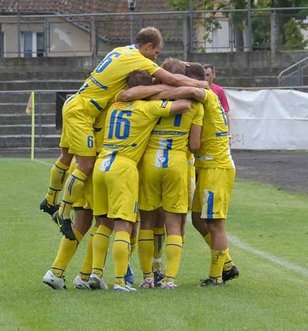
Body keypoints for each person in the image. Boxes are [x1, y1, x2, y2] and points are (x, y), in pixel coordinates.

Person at [40, 26, 209, 241]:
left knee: (66, 156)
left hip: (76, 104)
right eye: (156, 53)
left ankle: (50, 199)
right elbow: (172, 84)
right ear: (147, 46)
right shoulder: (138, 69)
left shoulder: (120, 51)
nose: (155, 59)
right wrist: (200, 84)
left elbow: (140, 87)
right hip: (87, 116)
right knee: (86, 167)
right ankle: (63, 213)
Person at [89, 70, 193, 292]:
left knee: (102, 223)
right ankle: (119, 281)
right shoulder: (147, 108)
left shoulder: (115, 105)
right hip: (124, 168)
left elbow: (126, 94)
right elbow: (183, 105)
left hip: (102, 163)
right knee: (123, 224)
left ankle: (96, 273)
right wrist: (164, 90)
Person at [137, 58, 204, 289]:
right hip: (176, 161)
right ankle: (170, 279)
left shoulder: (149, 99)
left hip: (150, 161)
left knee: (146, 221)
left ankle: (147, 277)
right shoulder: (195, 105)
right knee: (174, 223)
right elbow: (195, 145)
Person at [186, 63, 239, 287]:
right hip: (208, 168)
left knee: (215, 223)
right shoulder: (208, 96)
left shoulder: (205, 94)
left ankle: (216, 277)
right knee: (198, 218)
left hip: (216, 167)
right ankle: (226, 264)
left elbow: (195, 145)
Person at [203, 64, 231, 130]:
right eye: (203, 75)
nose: (205, 78)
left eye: (207, 75)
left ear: (214, 75)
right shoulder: (196, 90)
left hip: (214, 128)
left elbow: (226, 112)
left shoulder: (219, 90)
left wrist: (228, 132)